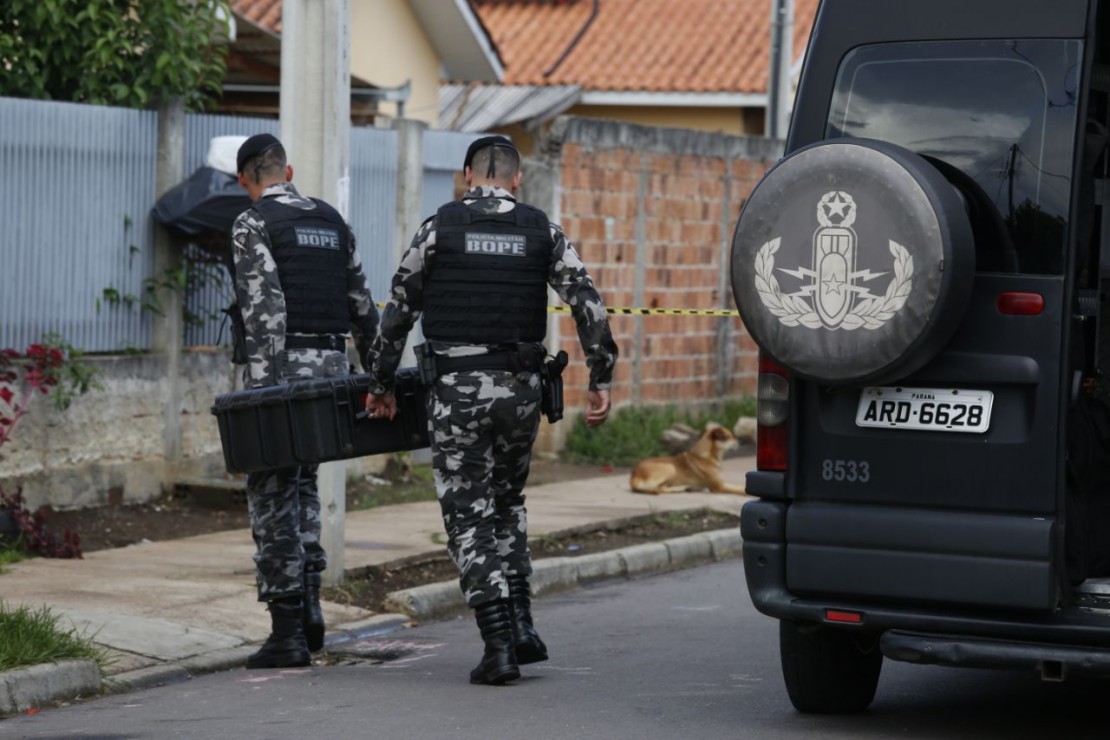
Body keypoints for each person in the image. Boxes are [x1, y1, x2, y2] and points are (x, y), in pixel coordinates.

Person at [364, 135, 618, 685]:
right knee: (507, 503)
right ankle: (523, 623)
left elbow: (398, 308)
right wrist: (601, 376)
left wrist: (380, 381)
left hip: (455, 392)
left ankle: (499, 644)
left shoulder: (438, 229)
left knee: (468, 513)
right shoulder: (540, 229)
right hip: (521, 392)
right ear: (517, 179)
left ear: (465, 175)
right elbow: (587, 300)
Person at [230, 134, 380, 669]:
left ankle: (288, 632)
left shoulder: (253, 222)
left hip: (283, 373)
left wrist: (266, 396)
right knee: (305, 487)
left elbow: (264, 308)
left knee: (272, 495)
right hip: (333, 372)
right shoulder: (333, 220)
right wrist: (377, 377)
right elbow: (362, 304)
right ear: (287, 170)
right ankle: (312, 603)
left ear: (246, 179)